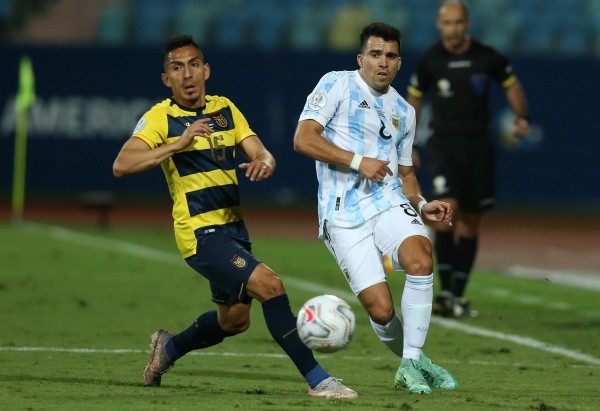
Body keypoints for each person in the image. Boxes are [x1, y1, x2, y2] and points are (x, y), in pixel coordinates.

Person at [112, 34, 357, 399]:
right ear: (167, 79)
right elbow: (122, 164)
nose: (187, 74)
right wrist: (176, 144)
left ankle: (169, 348)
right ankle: (319, 380)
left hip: (233, 231)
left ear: (206, 69)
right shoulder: (160, 117)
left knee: (234, 321)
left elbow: (263, 153)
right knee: (270, 286)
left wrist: (264, 164)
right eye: (177, 68)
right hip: (200, 234)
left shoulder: (225, 109)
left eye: (194, 64)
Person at [293, 22, 458, 394]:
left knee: (421, 256)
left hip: (387, 201)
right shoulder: (336, 84)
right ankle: (414, 360)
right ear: (361, 58)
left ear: (399, 62)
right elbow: (303, 139)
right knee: (381, 311)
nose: (382, 62)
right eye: (375, 54)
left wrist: (422, 202)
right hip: (342, 214)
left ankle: (411, 361)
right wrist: (356, 162)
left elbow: (406, 172)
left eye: (390, 56)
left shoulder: (403, 110)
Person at [406, 0, 531, 318]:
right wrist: (407, 142)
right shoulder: (430, 58)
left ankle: (456, 295)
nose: (453, 29)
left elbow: (512, 85)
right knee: (446, 212)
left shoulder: (487, 56)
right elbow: (415, 98)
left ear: (467, 23)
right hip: (443, 146)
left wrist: (521, 116)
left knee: (471, 224)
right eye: (447, 23)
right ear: (439, 25)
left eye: (458, 22)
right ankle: (445, 291)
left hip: (477, 148)